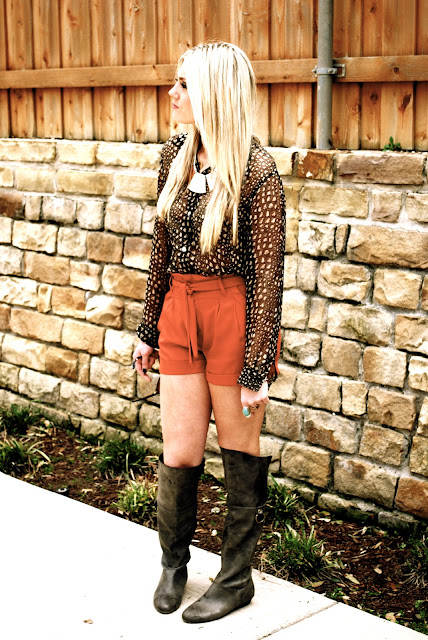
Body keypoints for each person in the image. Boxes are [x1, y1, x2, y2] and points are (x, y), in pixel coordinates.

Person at [132, 41, 285, 624]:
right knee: (179, 451)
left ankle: (236, 579)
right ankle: (174, 565)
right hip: (180, 309)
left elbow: (268, 278)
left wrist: (256, 366)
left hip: (232, 317)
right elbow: (161, 251)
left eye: (184, 84)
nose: (172, 93)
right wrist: (149, 327)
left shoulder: (257, 172)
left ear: (214, 94)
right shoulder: (175, 155)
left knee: (239, 452)